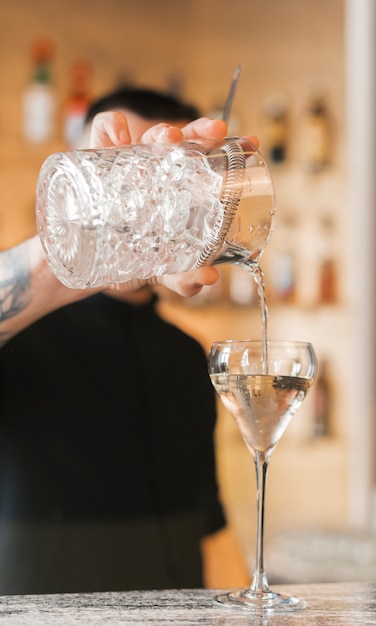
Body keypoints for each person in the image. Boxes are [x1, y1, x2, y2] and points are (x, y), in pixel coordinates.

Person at [0, 88, 250, 594]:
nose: (142, 203)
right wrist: (82, 240)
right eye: (127, 174)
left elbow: (209, 527)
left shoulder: (186, 355)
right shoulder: (22, 341)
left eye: (164, 182)